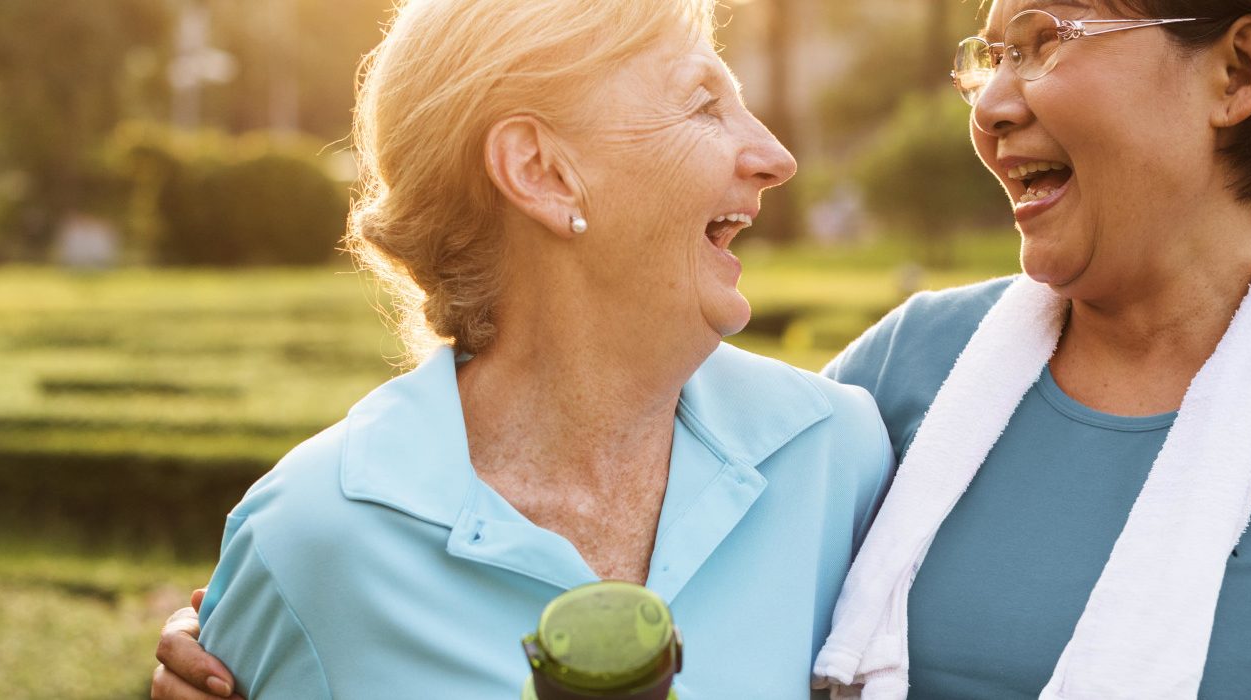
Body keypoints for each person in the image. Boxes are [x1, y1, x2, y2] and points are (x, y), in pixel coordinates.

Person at [159, 0, 1251, 697]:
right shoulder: (896, 393)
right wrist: (241, 647)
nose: (994, 99)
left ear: (1238, 74)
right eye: (988, 49)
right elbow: (606, 471)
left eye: (1042, 37)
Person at [148, 0, 894, 696]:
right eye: (703, 104)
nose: (775, 155)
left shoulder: (838, 456)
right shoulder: (307, 544)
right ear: (541, 172)